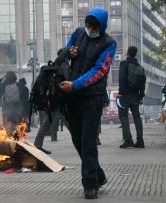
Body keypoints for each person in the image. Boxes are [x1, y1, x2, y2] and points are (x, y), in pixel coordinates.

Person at [59, 8, 116, 199]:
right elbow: (64, 51)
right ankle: (98, 174)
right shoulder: (79, 33)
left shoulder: (109, 43)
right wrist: (69, 53)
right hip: (73, 97)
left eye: (94, 26)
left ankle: (90, 184)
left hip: (92, 97)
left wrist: (75, 84)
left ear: (102, 26)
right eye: (88, 25)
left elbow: (100, 71)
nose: (90, 29)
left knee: (88, 141)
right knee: (77, 139)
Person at [118, 46, 145, 148]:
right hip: (135, 96)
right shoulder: (139, 66)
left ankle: (128, 140)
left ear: (127, 53)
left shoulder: (124, 63)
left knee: (123, 116)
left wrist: (121, 93)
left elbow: (121, 79)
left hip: (124, 95)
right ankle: (140, 141)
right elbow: (142, 82)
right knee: (137, 118)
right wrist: (141, 96)